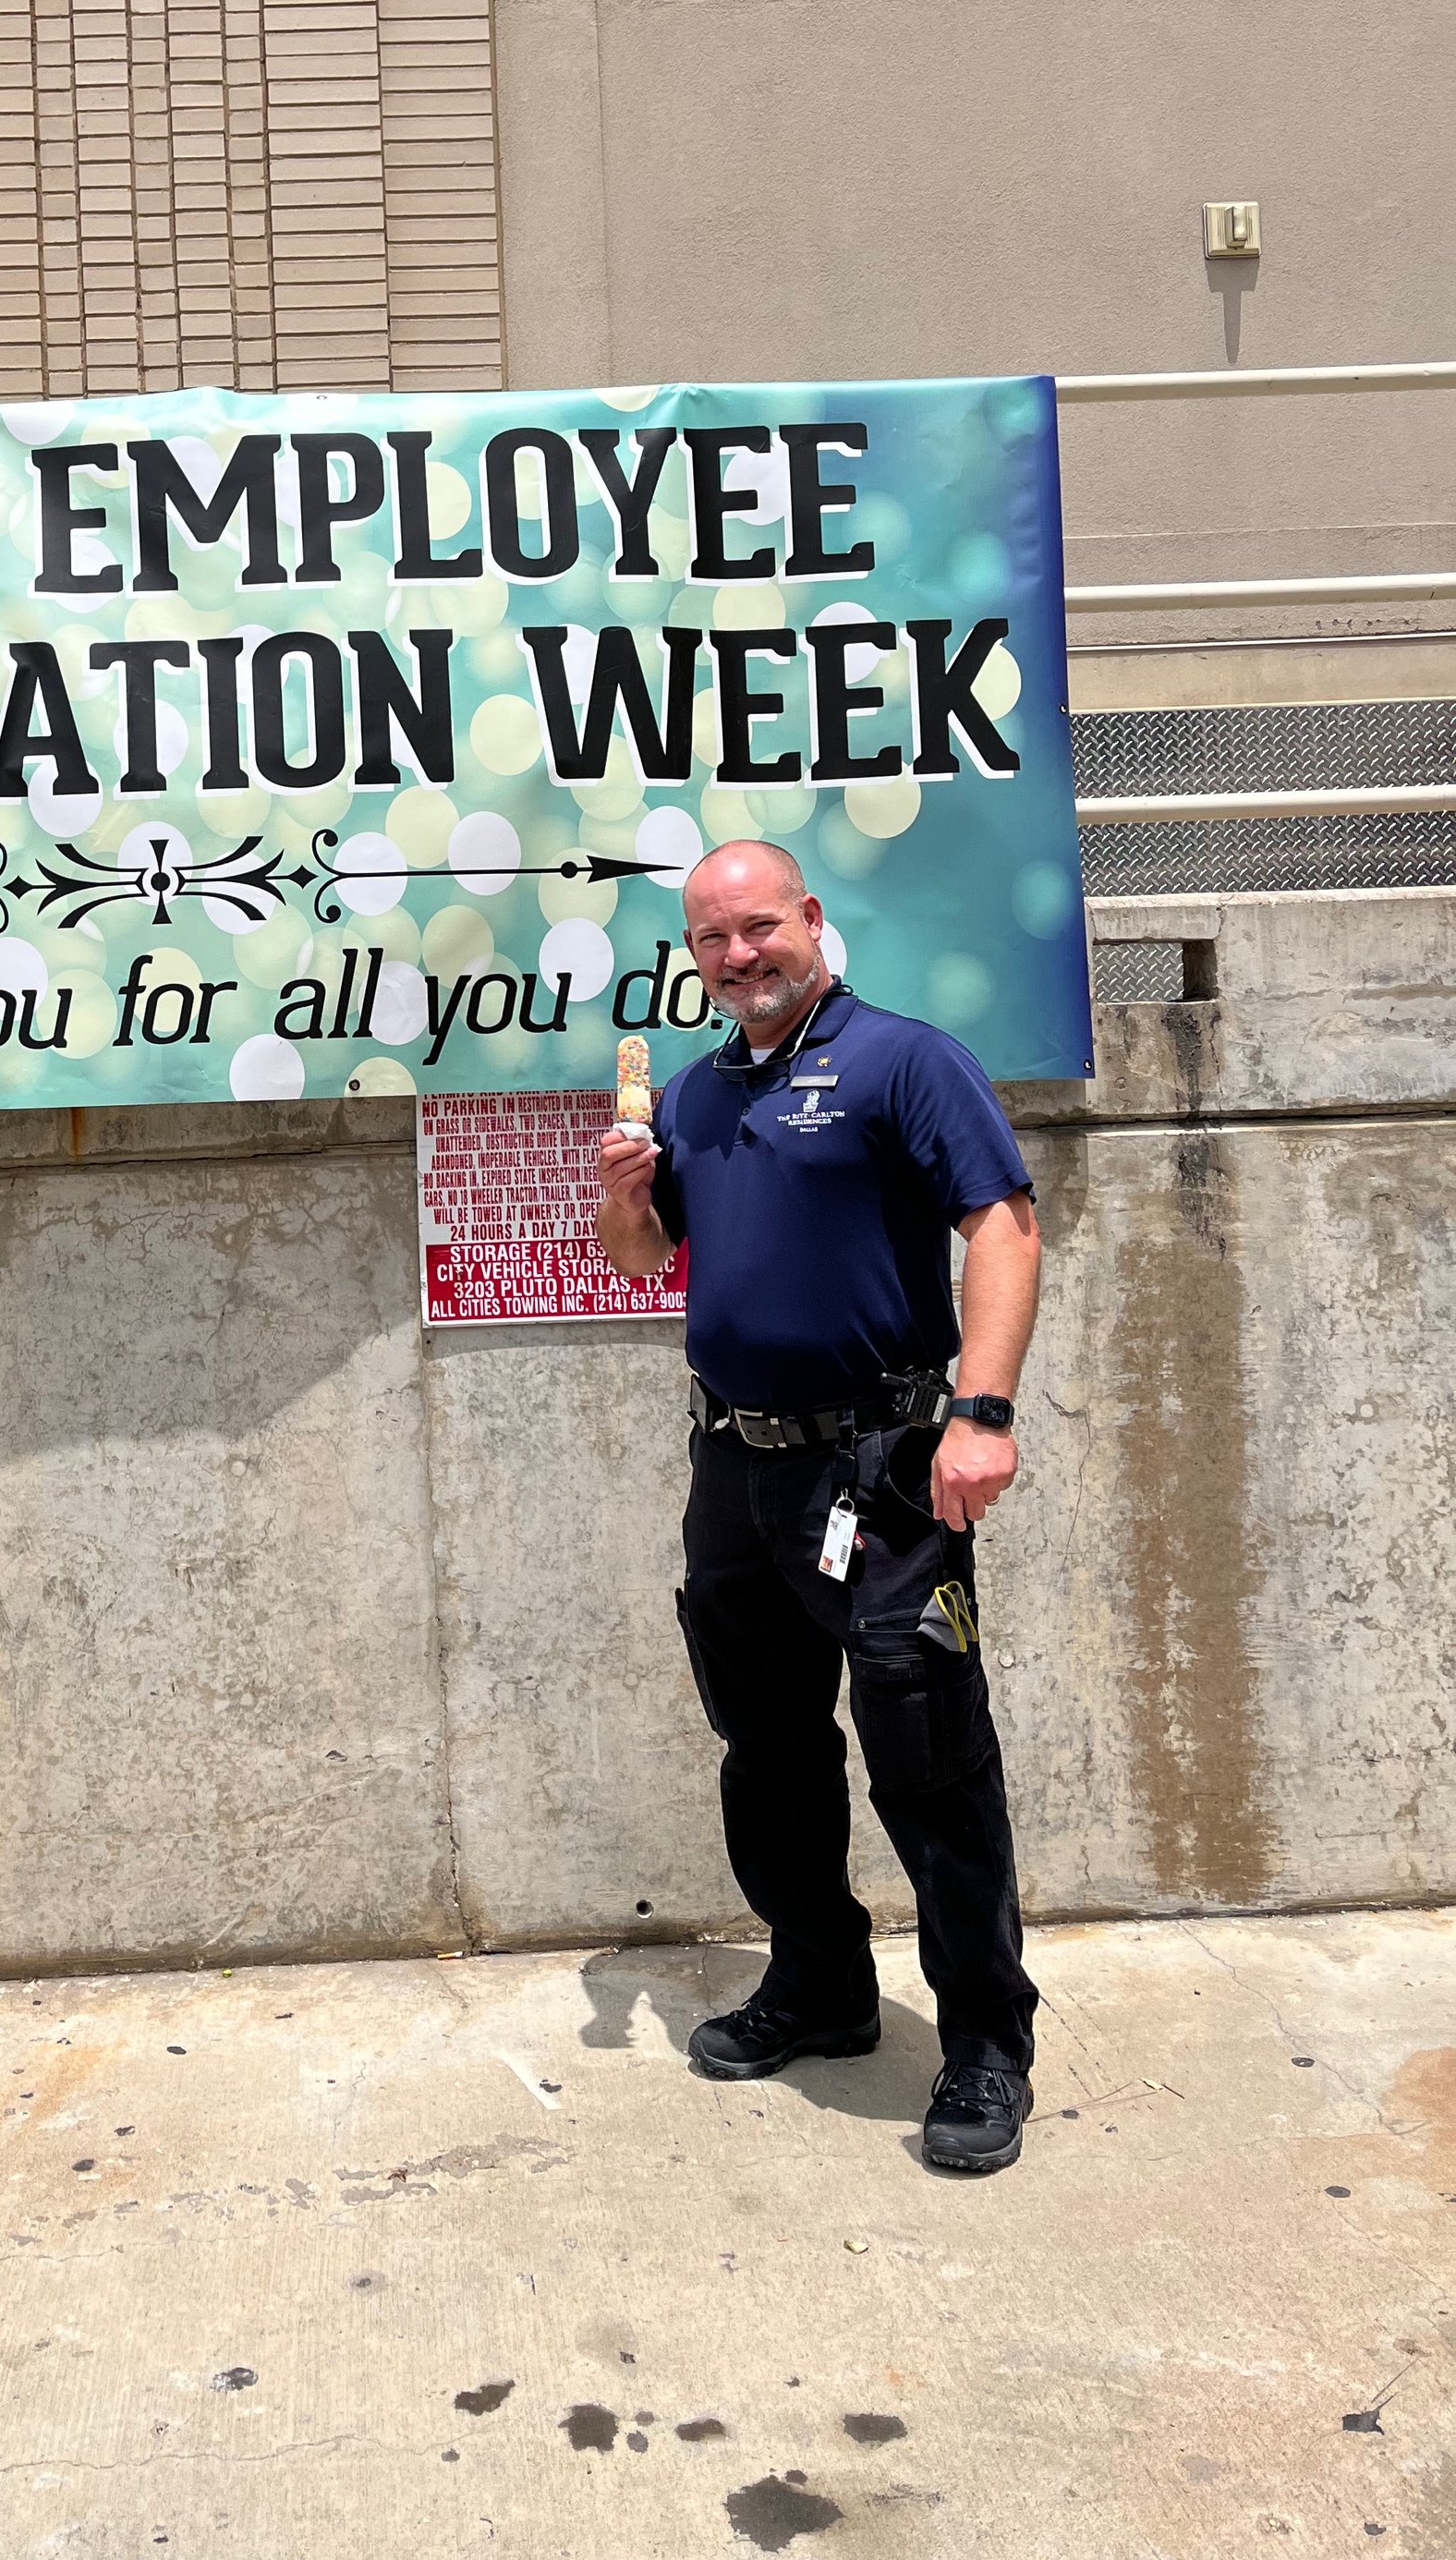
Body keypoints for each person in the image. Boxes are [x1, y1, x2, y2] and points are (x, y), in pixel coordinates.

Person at [595, 840, 1045, 2174]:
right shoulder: (693, 1091)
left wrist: (983, 1409)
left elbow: (1005, 1226)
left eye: (759, 928)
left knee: (929, 1752)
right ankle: (823, 1985)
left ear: (811, 921)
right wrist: (625, 1204)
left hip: (880, 1471)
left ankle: (984, 2046)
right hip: (733, 1475)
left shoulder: (905, 1059)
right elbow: (646, 1255)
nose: (740, 956)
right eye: (713, 939)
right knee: (769, 1746)